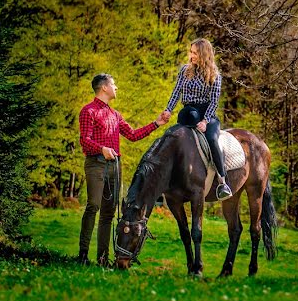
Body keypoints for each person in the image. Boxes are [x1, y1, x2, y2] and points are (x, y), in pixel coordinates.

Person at [77, 73, 170, 266]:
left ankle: (102, 258)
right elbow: (84, 141)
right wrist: (102, 149)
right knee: (93, 205)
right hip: (96, 163)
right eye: (114, 84)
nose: (116, 87)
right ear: (104, 87)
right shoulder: (88, 111)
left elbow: (133, 135)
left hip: (114, 167)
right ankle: (83, 255)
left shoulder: (115, 115)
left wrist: (156, 124)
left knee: (108, 214)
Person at [163, 38, 233, 201]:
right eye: (191, 52)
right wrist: (168, 110)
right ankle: (166, 180)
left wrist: (206, 121)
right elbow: (176, 92)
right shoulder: (184, 70)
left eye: (195, 53)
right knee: (173, 138)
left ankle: (222, 182)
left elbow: (214, 101)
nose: (191, 55)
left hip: (207, 114)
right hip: (188, 111)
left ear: (203, 54)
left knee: (212, 139)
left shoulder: (215, 74)